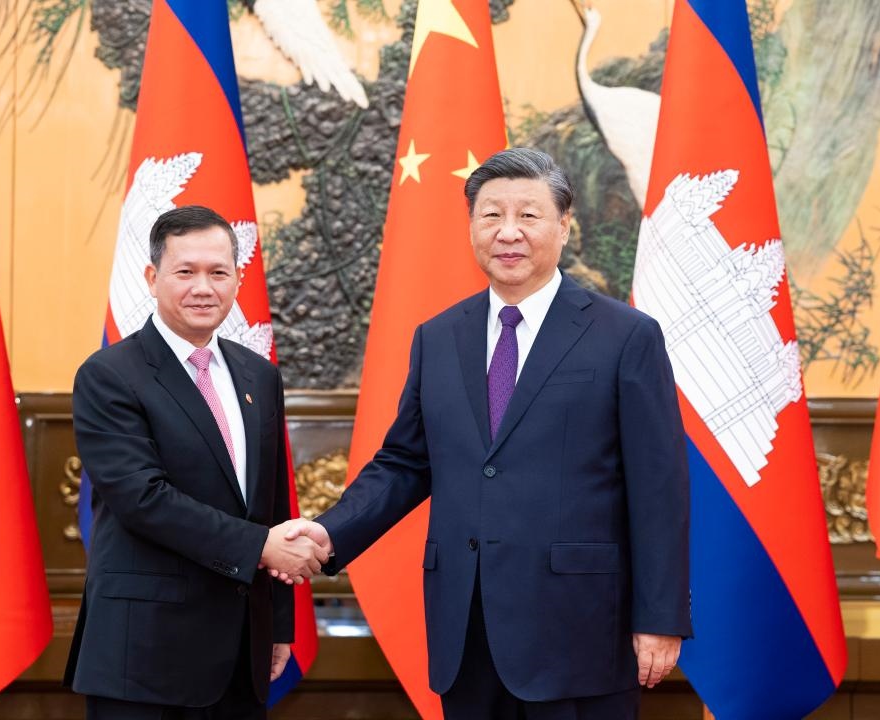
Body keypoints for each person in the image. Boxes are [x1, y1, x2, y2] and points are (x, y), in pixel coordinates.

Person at [283, 148, 691, 719]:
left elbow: (659, 486)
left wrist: (660, 616)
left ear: (564, 225)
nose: (508, 232)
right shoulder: (439, 337)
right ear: (472, 225)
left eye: (528, 215)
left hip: (579, 631)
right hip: (467, 630)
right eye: (491, 215)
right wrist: (329, 534)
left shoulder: (625, 336)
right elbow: (405, 463)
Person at [64, 205, 329, 720]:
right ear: (152, 277)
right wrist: (260, 546)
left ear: (238, 280)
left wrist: (277, 625)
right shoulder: (109, 375)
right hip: (144, 655)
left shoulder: (258, 375)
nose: (203, 288)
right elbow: (142, 498)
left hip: (241, 650)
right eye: (185, 271)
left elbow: (272, 504)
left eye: (219, 272)